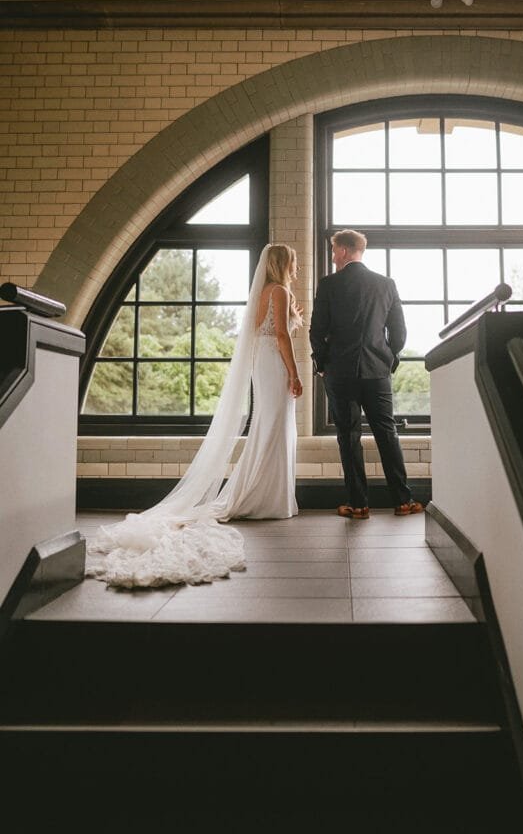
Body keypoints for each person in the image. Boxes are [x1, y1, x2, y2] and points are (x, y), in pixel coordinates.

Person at [86, 243, 303, 588]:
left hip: (263, 362)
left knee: (270, 426)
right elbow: (280, 335)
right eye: (293, 262)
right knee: (274, 427)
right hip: (274, 363)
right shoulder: (277, 290)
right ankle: (264, 497)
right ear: (281, 264)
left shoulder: (266, 291)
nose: (297, 267)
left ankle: (266, 494)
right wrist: (295, 372)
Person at [310, 228, 423, 520]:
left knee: (348, 436)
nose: (333, 257)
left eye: (335, 251)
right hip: (377, 371)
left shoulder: (328, 285)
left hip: (340, 372)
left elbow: (317, 330)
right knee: (387, 432)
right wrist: (389, 359)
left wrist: (322, 364)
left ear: (345, 251)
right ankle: (403, 500)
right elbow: (399, 331)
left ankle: (358, 505)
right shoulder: (386, 284)